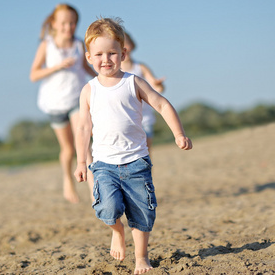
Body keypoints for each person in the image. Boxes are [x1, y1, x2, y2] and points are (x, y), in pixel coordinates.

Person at [74, 17, 192, 274]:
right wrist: (82, 161)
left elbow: (161, 104)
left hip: (136, 161)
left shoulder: (133, 82)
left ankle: (141, 257)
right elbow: (83, 127)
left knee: (142, 213)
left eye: (112, 53)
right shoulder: (89, 90)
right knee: (107, 207)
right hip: (103, 164)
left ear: (123, 53)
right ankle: (117, 231)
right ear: (89, 57)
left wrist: (178, 133)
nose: (106, 59)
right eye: (99, 54)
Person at [30, 3, 96, 204]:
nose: (69, 27)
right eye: (64, 23)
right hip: (55, 103)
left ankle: (95, 191)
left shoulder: (78, 44)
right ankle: (68, 179)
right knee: (68, 149)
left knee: (84, 144)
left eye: (73, 23)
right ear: (55, 24)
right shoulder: (46, 45)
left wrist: (105, 78)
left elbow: (86, 67)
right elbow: (34, 74)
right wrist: (57, 67)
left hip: (77, 98)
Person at [121, 32, 166, 155]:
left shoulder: (140, 67)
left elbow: (155, 87)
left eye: (127, 43)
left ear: (132, 45)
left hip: (144, 118)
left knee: (146, 153)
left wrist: (158, 85)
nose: (125, 48)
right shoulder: (115, 72)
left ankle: (147, 174)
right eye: (121, 45)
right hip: (125, 119)